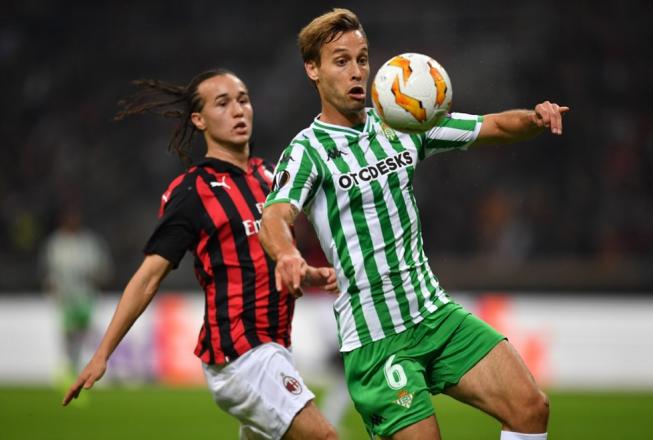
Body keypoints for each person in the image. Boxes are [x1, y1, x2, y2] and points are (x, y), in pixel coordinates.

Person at [258, 8, 569, 440]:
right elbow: (274, 214)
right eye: (341, 60)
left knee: (530, 407)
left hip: (433, 314)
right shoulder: (308, 149)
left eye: (362, 59)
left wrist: (535, 119)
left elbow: (492, 125)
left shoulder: (400, 123)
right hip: (376, 339)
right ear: (313, 69)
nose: (357, 72)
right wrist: (287, 255)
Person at [62, 68, 339, 440]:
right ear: (199, 119)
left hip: (276, 348)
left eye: (243, 99)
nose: (238, 110)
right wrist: (102, 354)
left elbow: (270, 258)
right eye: (222, 103)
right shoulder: (193, 191)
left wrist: (308, 273)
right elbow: (148, 277)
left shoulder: (270, 179)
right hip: (240, 355)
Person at [42, 207, 113, 376]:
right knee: (68, 334)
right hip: (65, 298)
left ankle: (83, 365)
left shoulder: (89, 242)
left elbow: (103, 268)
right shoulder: (55, 244)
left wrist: (98, 279)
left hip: (86, 297)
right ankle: (68, 365)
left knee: (84, 333)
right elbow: (48, 271)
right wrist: (52, 288)